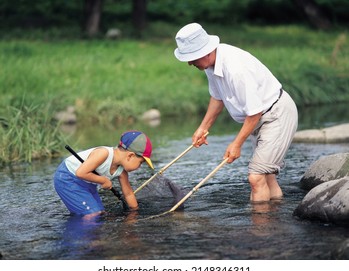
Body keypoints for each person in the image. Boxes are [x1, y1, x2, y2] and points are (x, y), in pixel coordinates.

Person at [174, 23, 298, 203]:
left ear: (206, 52)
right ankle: (274, 224)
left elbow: (255, 112)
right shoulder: (211, 64)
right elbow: (218, 98)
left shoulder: (236, 69)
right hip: (262, 118)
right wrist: (203, 128)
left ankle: (260, 228)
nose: (189, 63)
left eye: (192, 58)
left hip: (276, 115)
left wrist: (236, 144)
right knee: (267, 176)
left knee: (256, 177)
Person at [54, 130, 154, 219]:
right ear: (130, 156)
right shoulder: (103, 153)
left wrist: (134, 213)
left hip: (87, 183)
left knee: (101, 213)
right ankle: (82, 238)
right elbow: (81, 173)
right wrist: (103, 180)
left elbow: (128, 194)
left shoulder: (122, 172)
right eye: (140, 162)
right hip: (67, 178)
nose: (139, 167)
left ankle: (93, 234)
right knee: (93, 214)